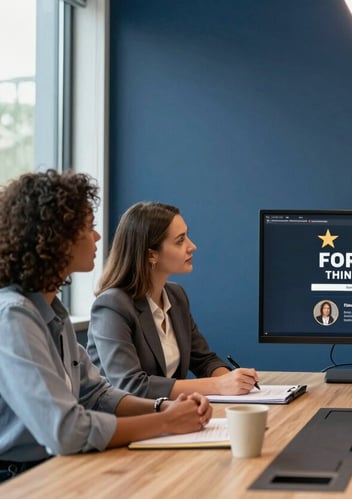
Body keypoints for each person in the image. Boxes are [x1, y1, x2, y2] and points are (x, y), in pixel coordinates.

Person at [0, 171, 212, 483]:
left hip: (59, 466)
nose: (98, 237)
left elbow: (96, 394)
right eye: (88, 228)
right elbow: (67, 431)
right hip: (21, 479)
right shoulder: (13, 317)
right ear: (56, 240)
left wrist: (162, 406)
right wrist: (165, 422)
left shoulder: (52, 313)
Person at [86, 201, 259, 400]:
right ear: (151, 254)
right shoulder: (112, 306)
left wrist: (235, 381)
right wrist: (218, 385)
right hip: (124, 424)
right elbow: (132, 386)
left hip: (169, 416)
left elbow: (204, 360)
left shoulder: (176, 296)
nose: (192, 246)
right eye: (180, 240)